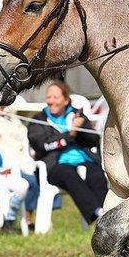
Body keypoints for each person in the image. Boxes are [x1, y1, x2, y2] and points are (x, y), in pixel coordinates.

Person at [27, 82, 107, 227]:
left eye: (55, 97)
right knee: (68, 174)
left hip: (84, 159)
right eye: (48, 97)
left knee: (96, 173)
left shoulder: (77, 115)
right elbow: (41, 145)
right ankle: (96, 212)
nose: (51, 101)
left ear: (65, 100)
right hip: (54, 166)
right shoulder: (38, 120)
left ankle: (106, 217)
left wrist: (80, 129)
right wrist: (70, 135)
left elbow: (93, 140)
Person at [0, 105, 42, 228]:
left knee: (35, 180)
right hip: (2, 166)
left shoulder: (13, 118)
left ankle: (25, 219)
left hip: (21, 161)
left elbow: (24, 135)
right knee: (28, 182)